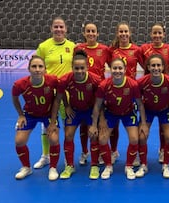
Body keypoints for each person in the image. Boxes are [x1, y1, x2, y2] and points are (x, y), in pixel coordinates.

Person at [88, 58, 149, 180]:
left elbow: (140, 104)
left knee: (134, 139)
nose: (117, 71)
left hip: (128, 113)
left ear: (125, 70)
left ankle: (129, 166)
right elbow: (97, 105)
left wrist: (143, 123)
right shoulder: (104, 85)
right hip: (110, 113)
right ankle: (108, 166)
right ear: (110, 69)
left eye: (120, 68)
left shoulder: (133, 84)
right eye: (114, 68)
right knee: (102, 139)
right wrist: (95, 124)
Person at [52, 51, 102, 180]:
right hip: (75, 110)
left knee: (94, 135)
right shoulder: (65, 79)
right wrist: (67, 105)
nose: (79, 71)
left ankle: (94, 165)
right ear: (72, 67)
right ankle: (69, 165)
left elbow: (98, 103)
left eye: (82, 68)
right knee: (68, 135)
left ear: (87, 67)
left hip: (91, 111)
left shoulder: (95, 80)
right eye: (76, 68)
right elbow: (59, 96)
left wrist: (95, 123)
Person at [34, 17, 76, 169]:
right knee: (46, 126)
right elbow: (36, 66)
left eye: (61, 27)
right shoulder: (43, 46)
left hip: (67, 94)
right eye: (56, 27)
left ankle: (67, 157)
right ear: (51, 29)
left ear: (66, 29)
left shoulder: (73, 46)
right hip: (49, 93)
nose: (58, 29)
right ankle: (45, 156)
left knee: (67, 126)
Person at [12, 55, 60, 181]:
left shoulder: (52, 81)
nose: (37, 69)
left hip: (48, 114)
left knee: (54, 138)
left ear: (45, 69)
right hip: (30, 114)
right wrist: (21, 115)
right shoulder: (20, 84)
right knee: (19, 141)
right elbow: (14, 98)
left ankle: (53, 168)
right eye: (34, 66)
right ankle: (26, 168)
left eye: (40, 66)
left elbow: (57, 99)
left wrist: (54, 120)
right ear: (29, 69)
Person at [73, 22, 111, 165]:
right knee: (84, 124)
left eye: (93, 31)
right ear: (84, 33)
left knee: (100, 122)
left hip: (99, 91)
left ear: (97, 33)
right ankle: (84, 152)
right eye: (88, 31)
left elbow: (114, 64)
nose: (90, 33)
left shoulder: (104, 49)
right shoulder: (78, 48)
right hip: (82, 90)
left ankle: (102, 152)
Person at [108, 21, 144, 165]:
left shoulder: (136, 50)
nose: (123, 34)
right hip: (115, 90)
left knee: (132, 124)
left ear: (130, 33)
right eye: (121, 31)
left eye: (125, 31)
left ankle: (134, 154)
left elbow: (146, 66)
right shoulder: (112, 50)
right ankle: (113, 151)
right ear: (117, 33)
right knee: (114, 123)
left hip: (130, 92)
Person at [139, 23, 169, 163]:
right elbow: (140, 61)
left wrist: (168, 71)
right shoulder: (144, 48)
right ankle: (142, 160)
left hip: (163, 85)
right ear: (150, 34)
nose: (157, 35)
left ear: (164, 34)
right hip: (149, 87)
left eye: (159, 33)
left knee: (165, 129)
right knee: (141, 135)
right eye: (154, 33)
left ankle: (163, 151)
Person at [137, 54, 169, 178]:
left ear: (163, 67)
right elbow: (138, 101)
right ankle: (143, 165)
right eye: (153, 65)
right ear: (148, 67)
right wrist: (142, 122)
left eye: (158, 65)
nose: (156, 68)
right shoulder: (142, 82)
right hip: (148, 110)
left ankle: (165, 165)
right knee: (142, 137)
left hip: (165, 110)